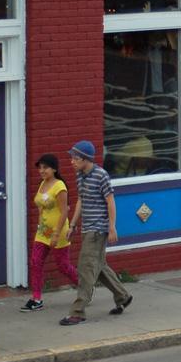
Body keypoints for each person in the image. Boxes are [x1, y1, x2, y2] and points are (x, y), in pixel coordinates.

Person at [60, 140, 132, 326]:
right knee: (98, 267)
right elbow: (81, 200)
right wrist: (72, 225)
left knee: (86, 268)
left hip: (98, 229)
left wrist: (112, 227)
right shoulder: (80, 175)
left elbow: (110, 201)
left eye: (75, 158)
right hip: (86, 228)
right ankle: (123, 296)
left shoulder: (101, 175)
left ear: (86, 159)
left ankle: (78, 312)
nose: (72, 161)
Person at [21, 154, 79, 312]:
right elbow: (41, 207)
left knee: (63, 265)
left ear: (54, 169)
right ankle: (36, 299)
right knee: (36, 262)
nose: (42, 171)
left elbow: (64, 211)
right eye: (40, 168)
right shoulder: (42, 184)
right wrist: (40, 224)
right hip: (43, 231)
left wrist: (56, 233)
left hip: (58, 232)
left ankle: (84, 286)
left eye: (45, 167)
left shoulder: (60, 186)